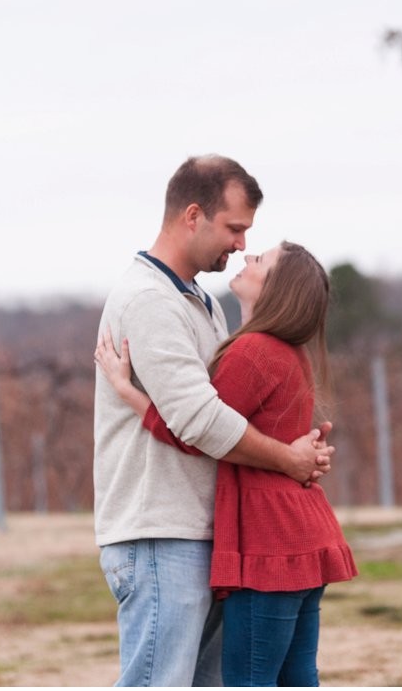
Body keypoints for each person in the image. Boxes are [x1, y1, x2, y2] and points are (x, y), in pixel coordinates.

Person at [93, 156, 334, 687]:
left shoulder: (201, 302)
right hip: (160, 532)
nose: (242, 245)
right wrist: (289, 458)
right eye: (234, 228)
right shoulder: (150, 300)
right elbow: (198, 420)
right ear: (194, 215)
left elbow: (229, 411)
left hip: (203, 534)